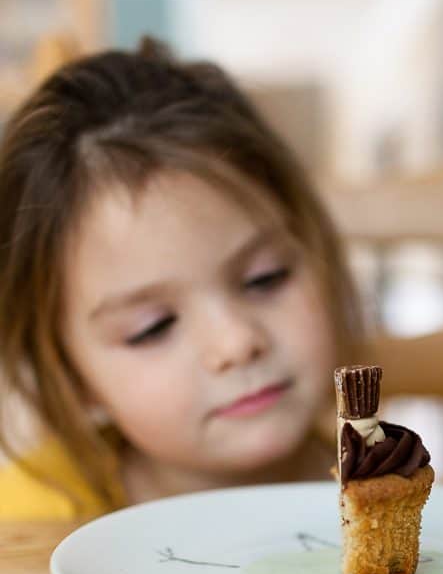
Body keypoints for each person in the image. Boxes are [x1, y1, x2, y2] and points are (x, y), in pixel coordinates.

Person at [0, 38, 362, 520]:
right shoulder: (24, 526)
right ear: (72, 378)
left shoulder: (382, 482)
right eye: (152, 327)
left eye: (265, 279)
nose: (236, 342)